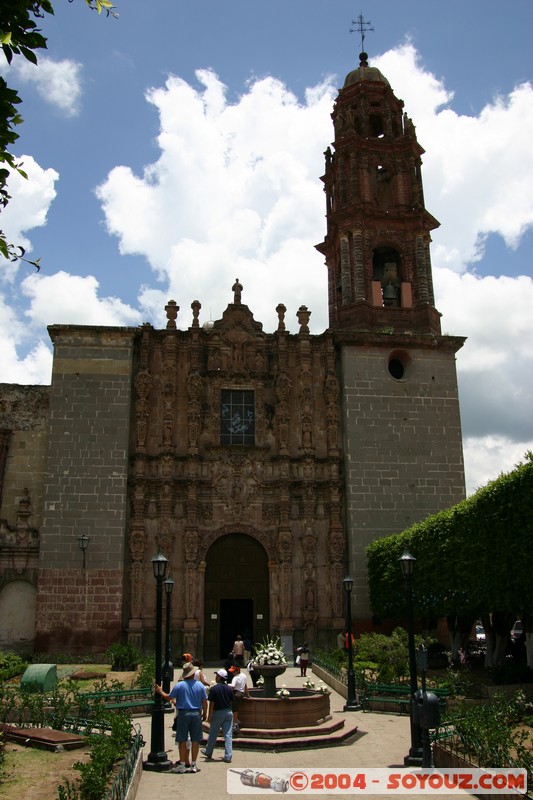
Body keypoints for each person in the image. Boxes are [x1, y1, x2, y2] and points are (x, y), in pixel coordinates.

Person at [155, 661, 207, 774]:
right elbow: (204, 701)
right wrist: (205, 713)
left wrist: (160, 691)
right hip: (196, 713)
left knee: (182, 739)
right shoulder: (200, 686)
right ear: (193, 674)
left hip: (183, 713)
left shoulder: (179, 685)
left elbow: (169, 698)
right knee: (196, 740)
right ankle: (193, 764)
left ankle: (182, 764)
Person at [202, 668, 233, 763]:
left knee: (213, 733)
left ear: (219, 677)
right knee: (228, 734)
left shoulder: (214, 689)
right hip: (228, 712)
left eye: (216, 675)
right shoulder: (229, 688)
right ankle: (228, 756)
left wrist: (209, 716)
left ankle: (208, 751)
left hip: (218, 712)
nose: (215, 677)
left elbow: (212, 704)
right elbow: (231, 701)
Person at [228, 664, 250, 733]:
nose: (232, 673)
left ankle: (235, 723)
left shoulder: (235, 678)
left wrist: (226, 685)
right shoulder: (244, 675)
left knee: (234, 708)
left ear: (237, 670)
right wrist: (248, 695)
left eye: (234, 671)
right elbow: (245, 685)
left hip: (236, 693)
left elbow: (233, 686)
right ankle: (236, 720)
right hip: (241, 693)